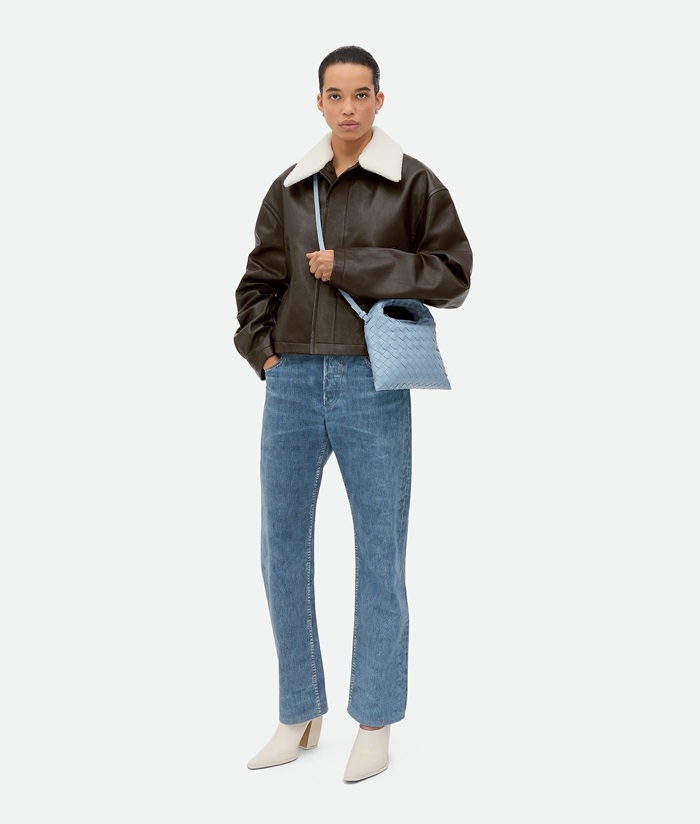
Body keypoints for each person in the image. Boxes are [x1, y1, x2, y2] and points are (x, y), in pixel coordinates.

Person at [234, 45, 472, 782]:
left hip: (374, 381)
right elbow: (258, 282)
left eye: (360, 94)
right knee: (280, 549)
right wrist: (264, 353)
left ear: (379, 100)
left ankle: (375, 720)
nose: (347, 108)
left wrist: (357, 264)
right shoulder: (290, 186)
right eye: (334, 95)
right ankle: (298, 711)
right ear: (318, 103)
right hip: (292, 385)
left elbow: (454, 276)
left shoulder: (412, 183)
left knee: (379, 552)